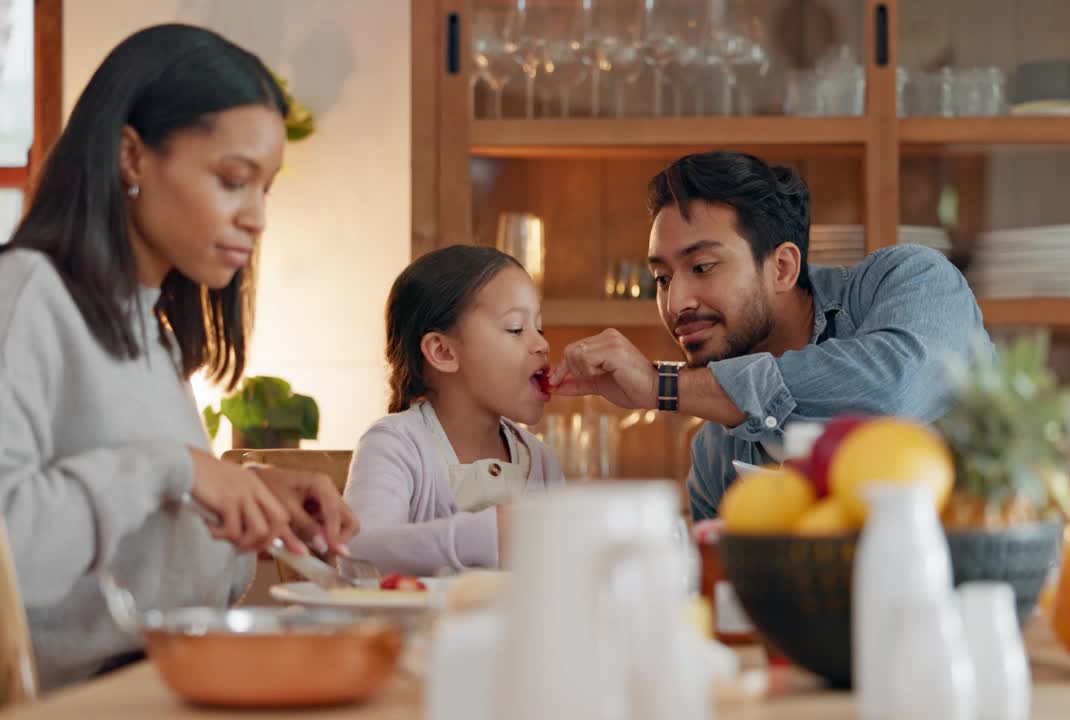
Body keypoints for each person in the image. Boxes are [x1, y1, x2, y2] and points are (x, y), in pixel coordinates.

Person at [0, 24, 358, 689]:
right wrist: (173, 468)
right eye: (232, 179)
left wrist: (249, 499)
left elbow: (153, 570)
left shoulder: (153, 331)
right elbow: (11, 554)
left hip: (159, 686)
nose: (256, 217)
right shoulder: (27, 295)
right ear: (131, 157)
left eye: (264, 190)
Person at [550, 150, 989, 520]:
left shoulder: (908, 280)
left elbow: (893, 393)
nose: (676, 302)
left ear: (782, 267)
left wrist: (660, 386)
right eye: (662, 278)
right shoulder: (717, 453)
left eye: (702, 267)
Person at [343, 245, 564, 577]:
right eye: (516, 329)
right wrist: (491, 534)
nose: (542, 344)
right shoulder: (395, 444)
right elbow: (357, 553)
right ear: (442, 351)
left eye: (540, 328)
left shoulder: (542, 461)